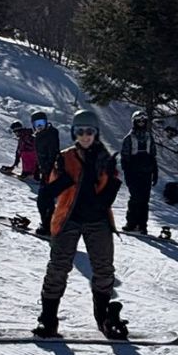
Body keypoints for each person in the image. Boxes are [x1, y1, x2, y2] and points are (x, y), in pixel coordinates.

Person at [34, 108, 128, 339]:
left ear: (96, 133)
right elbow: (49, 190)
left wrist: (107, 189)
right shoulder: (65, 158)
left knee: (104, 270)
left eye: (89, 131)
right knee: (58, 268)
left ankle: (103, 319)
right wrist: (60, 182)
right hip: (69, 219)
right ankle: (48, 320)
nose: (85, 136)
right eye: (80, 131)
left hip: (98, 221)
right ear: (74, 133)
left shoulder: (105, 159)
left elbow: (109, 193)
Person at [119, 110, 159, 233]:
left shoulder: (149, 137)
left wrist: (155, 172)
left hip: (146, 173)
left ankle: (142, 225)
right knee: (135, 198)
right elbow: (124, 158)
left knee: (144, 200)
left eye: (143, 121)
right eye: (139, 121)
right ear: (134, 122)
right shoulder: (129, 138)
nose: (141, 123)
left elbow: (153, 155)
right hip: (134, 173)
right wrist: (127, 174)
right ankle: (131, 223)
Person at [30, 110, 61, 234]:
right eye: (37, 124)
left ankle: (48, 227)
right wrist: (38, 169)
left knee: (44, 201)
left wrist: (48, 172)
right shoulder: (40, 135)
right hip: (46, 172)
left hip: (51, 173)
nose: (39, 126)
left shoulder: (50, 134)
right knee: (45, 201)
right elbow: (41, 156)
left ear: (46, 122)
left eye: (41, 123)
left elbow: (53, 154)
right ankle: (50, 225)